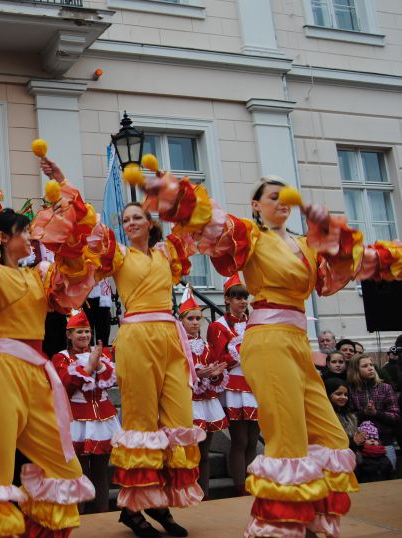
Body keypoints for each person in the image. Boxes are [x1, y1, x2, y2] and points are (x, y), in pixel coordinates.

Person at [144, 170, 401, 537]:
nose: (282, 202)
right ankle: (284, 528)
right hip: (268, 341)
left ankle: (307, 517)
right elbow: (214, 224)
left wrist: (373, 248)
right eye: (273, 196)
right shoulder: (251, 236)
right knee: (288, 439)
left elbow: (356, 260)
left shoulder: (308, 245)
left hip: (298, 344)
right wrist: (176, 195)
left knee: (331, 436)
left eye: (287, 195)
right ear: (256, 205)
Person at [0, 154, 96, 537]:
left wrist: (64, 190)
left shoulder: (39, 277)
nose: (30, 238)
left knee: (64, 467)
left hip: (36, 376)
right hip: (0, 374)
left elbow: (72, 261)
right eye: (23, 232)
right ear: (4, 238)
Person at [82, 199, 203, 538]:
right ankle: (137, 509)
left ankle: (156, 500)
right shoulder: (119, 255)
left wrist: (166, 188)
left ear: (150, 223)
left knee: (179, 421)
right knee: (142, 423)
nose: (131, 222)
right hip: (136, 338)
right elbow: (88, 231)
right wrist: (62, 182)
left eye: (137, 217)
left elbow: (192, 219)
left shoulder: (167, 252)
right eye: (126, 219)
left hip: (169, 337)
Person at [52, 310, 120, 514]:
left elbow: (110, 381)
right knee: (79, 473)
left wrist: (98, 365)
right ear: (69, 334)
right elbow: (66, 385)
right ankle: (80, 518)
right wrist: (89, 367)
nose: (84, 335)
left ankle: (102, 516)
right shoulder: (61, 358)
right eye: (79, 331)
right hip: (77, 420)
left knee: (101, 472)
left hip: (103, 419)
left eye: (87, 331)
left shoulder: (103, 354)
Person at [206, 276, 259, 497]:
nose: (242, 301)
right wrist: (240, 351)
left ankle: (252, 484)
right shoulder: (218, 326)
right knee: (240, 439)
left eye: (244, 297)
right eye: (237, 297)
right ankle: (240, 487)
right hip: (234, 384)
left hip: (254, 381)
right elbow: (217, 358)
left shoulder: (254, 322)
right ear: (227, 299)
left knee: (253, 440)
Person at [180, 288, 228, 500]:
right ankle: (188, 493)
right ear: (181, 321)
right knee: (190, 452)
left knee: (205, 453)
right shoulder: (178, 348)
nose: (195, 323)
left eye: (198, 319)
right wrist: (196, 375)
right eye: (190, 319)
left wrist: (215, 375)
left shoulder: (207, 347)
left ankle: (205, 494)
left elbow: (215, 376)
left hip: (207, 402)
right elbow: (175, 375)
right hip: (188, 403)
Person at [347, 353, 400, 470]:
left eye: (371, 365)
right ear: (355, 370)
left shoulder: (385, 387)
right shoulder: (350, 390)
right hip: (360, 445)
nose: (371, 368)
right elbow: (347, 418)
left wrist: (376, 413)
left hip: (384, 442)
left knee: (389, 476)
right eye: (365, 366)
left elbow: (395, 416)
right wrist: (364, 412)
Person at [323, 378, 359, 450]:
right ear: (327, 394)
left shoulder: (349, 416)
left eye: (346, 394)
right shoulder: (325, 417)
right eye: (338, 394)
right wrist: (354, 442)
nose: (343, 397)